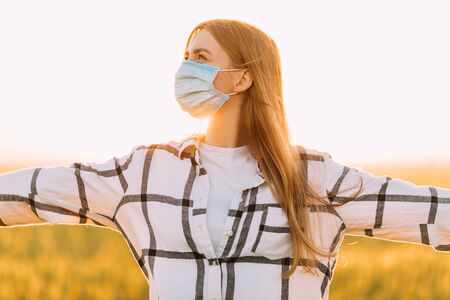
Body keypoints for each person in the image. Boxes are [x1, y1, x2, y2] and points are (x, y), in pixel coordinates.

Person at [1, 18, 449, 300]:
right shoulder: (143, 172)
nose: (185, 70)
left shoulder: (314, 178)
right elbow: (31, 192)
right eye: (185, 57)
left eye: (201, 57)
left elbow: (433, 212)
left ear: (243, 78)